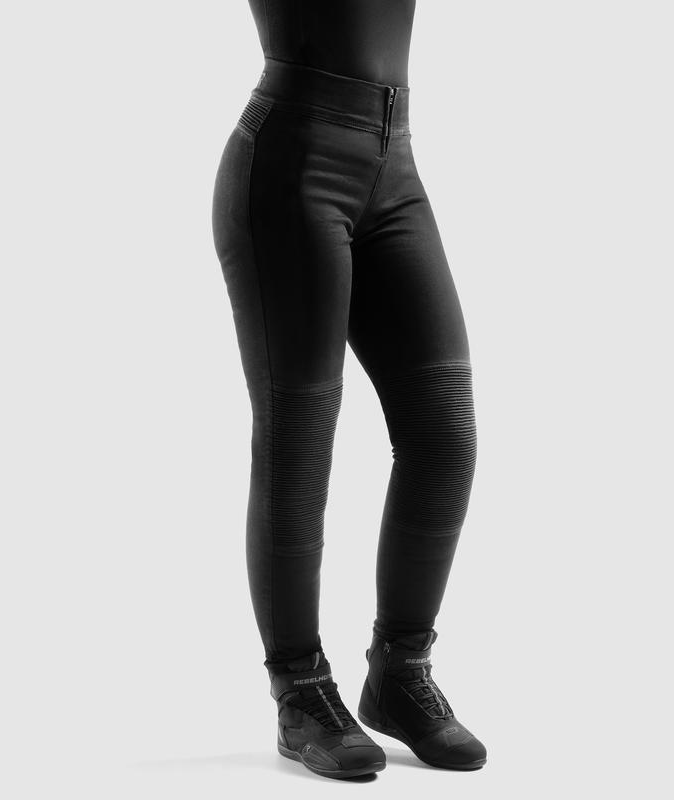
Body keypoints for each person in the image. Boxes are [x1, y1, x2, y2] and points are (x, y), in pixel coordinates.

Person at [211, 0, 487, 779]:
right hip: (293, 164)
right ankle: (299, 690)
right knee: (300, 437)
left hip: (394, 164)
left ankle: (399, 671)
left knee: (444, 434)